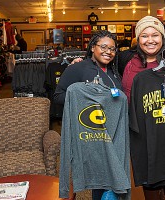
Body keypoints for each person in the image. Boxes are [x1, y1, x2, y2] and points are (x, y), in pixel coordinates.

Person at [71, 16, 165, 200]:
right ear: (137, 38)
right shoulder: (126, 57)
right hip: (131, 126)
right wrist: (82, 63)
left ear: (162, 36)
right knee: (146, 174)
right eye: (144, 35)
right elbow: (104, 58)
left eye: (155, 35)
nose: (150, 40)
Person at [54, 30, 123, 200]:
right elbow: (58, 96)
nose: (108, 52)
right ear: (93, 47)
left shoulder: (114, 71)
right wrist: (85, 98)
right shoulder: (77, 68)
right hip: (91, 134)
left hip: (112, 133)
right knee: (99, 177)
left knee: (112, 177)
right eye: (103, 47)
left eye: (112, 49)